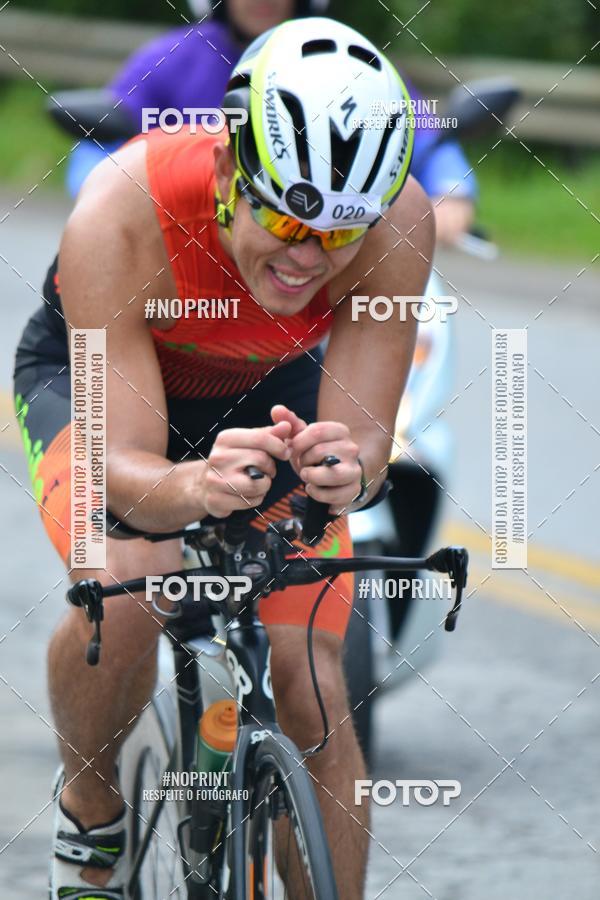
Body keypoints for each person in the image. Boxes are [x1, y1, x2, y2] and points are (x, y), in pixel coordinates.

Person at [15, 17, 434, 898]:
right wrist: (196, 485)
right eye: (285, 215)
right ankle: (92, 818)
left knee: (316, 687)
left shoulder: (400, 224)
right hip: (105, 393)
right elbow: (125, 463)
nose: (304, 258)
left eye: (339, 233)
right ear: (223, 171)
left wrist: (347, 468)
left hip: (263, 395)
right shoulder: (123, 213)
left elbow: (365, 437)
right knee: (132, 597)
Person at [65, 1, 475, 245]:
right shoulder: (171, 59)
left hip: (325, 267)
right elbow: (100, 145)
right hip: (182, 265)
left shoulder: (349, 59)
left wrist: (452, 196)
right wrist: (110, 201)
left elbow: (422, 138)